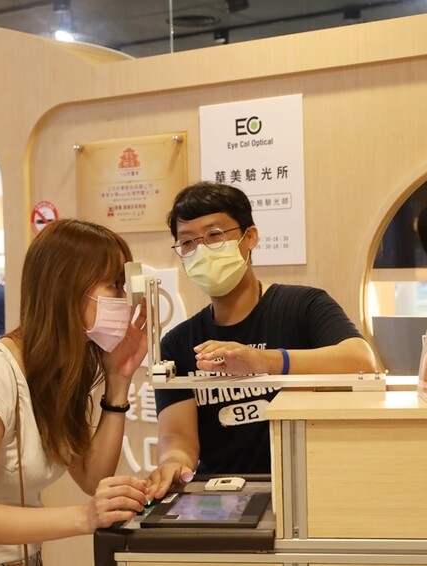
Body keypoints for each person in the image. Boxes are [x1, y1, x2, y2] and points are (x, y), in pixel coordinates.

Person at [0, 219, 149, 566]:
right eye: (115, 285)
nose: (124, 300)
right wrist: (86, 516)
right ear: (66, 288)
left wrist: (119, 379)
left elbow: (92, 477)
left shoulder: (57, 375)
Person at [147, 181, 377, 501]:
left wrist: (264, 361)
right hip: (221, 499)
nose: (201, 251)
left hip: (309, 492)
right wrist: (173, 464)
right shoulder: (179, 342)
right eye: (187, 242)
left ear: (250, 237)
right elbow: (178, 438)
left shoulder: (303, 306)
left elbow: (360, 360)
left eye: (214, 235)